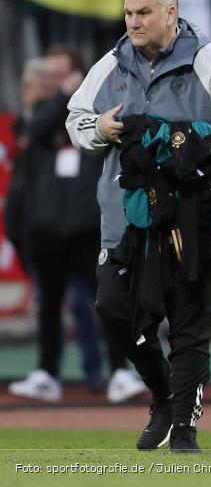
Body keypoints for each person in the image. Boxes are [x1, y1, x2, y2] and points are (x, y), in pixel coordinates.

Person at [66, 0, 211, 453]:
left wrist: (186, 143)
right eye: (130, 13)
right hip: (125, 217)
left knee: (189, 324)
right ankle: (162, 398)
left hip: (194, 216)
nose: (133, 22)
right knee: (114, 311)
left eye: (144, 13)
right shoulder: (111, 64)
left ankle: (185, 431)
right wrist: (104, 129)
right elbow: (77, 121)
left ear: (171, 13)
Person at [7, 48, 146, 404]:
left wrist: (79, 95)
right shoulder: (45, 110)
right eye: (49, 76)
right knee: (49, 304)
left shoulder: (99, 106)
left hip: (87, 223)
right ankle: (47, 373)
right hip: (48, 225)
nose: (52, 82)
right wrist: (66, 96)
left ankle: (119, 370)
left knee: (107, 300)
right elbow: (32, 130)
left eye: (60, 75)